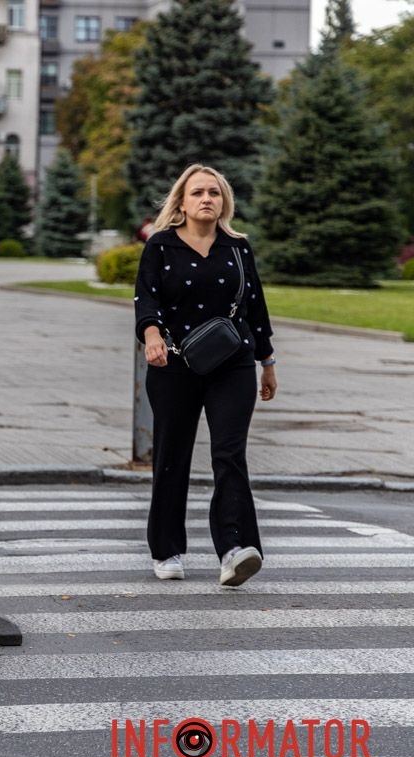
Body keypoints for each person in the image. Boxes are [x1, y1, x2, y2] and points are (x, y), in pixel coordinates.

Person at [134, 164, 277, 588]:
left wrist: (267, 363)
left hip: (232, 363)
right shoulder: (160, 246)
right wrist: (152, 335)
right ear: (182, 201)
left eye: (214, 192)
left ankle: (235, 549)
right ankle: (167, 549)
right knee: (171, 455)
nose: (206, 199)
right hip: (173, 364)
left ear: (223, 201)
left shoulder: (237, 247)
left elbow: (256, 306)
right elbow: (146, 299)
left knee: (229, 453)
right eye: (197, 192)